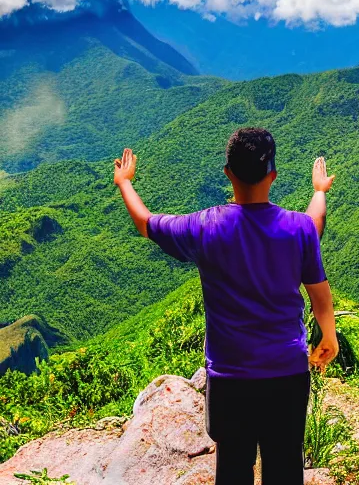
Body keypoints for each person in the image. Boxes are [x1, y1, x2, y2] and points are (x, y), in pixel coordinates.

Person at [114, 127, 339, 485]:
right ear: (274, 175)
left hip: (230, 379)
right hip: (286, 374)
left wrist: (124, 182)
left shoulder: (205, 227)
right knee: (284, 465)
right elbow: (319, 285)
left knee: (233, 466)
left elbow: (146, 223)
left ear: (228, 173)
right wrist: (329, 335)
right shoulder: (299, 230)